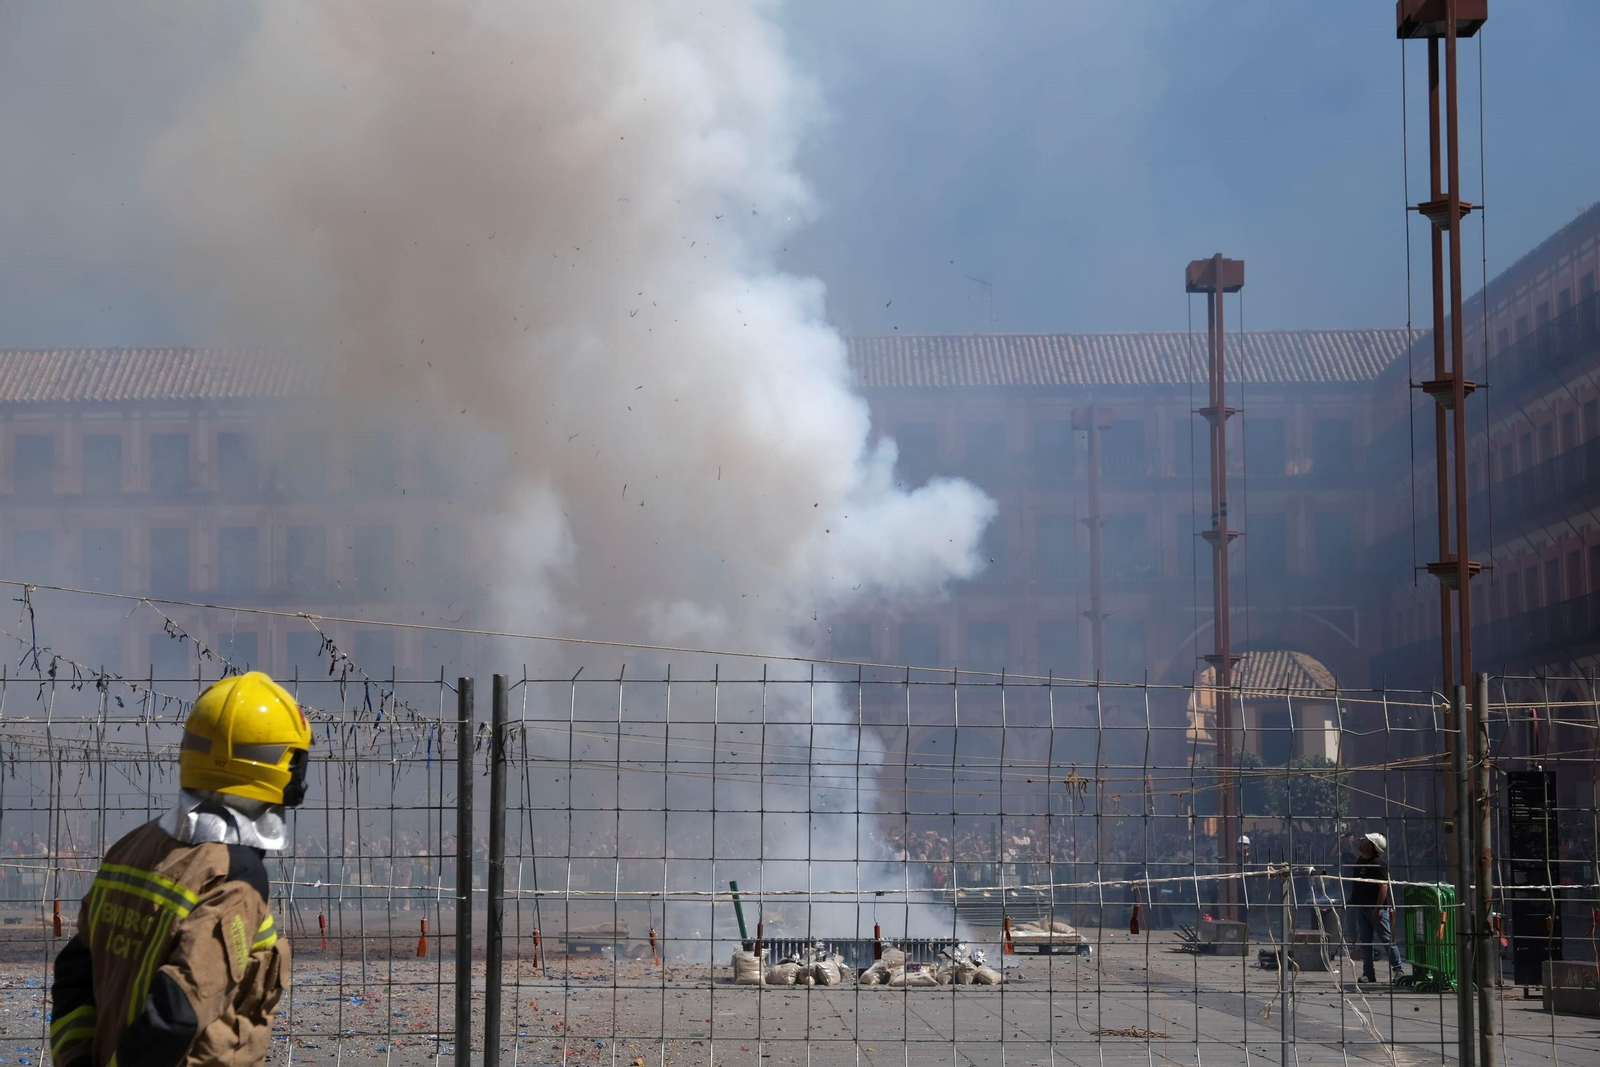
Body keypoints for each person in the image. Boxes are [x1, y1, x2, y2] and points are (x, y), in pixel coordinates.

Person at [50, 672, 311, 1067]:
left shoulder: (134, 845)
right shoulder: (235, 875)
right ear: (283, 767)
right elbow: (177, 1013)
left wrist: (77, 1060)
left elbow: (75, 971)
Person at [1349, 832, 1404, 982]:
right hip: (1362, 907)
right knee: (1366, 941)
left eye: (1365, 840)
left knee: (1386, 939)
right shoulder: (1360, 860)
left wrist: (1378, 908)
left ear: (1371, 845)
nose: (1362, 841)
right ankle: (1368, 973)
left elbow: (1383, 888)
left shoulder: (1378, 864)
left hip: (1376, 909)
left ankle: (1398, 970)